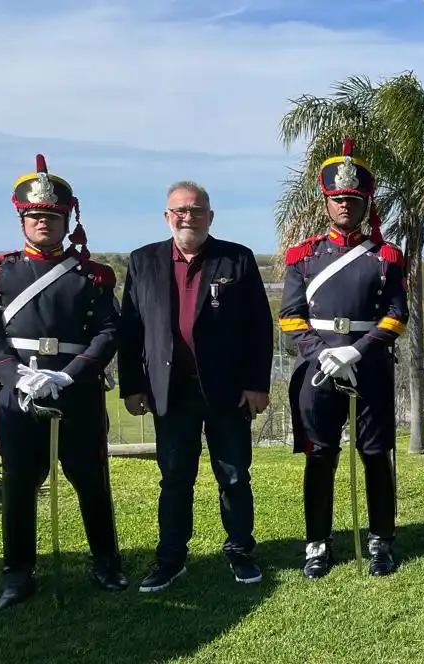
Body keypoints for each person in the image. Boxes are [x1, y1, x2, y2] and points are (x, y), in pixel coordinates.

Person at [0, 154, 125, 609]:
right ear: (22, 219)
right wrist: (17, 376)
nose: (44, 223)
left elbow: (109, 332)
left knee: (91, 479)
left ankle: (106, 562)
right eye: (36, 215)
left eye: (53, 216)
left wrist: (69, 375)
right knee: (19, 484)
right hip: (17, 394)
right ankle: (17, 573)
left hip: (77, 394)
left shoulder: (92, 276)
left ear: (67, 220)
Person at [118, 180, 273, 592]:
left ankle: (240, 551)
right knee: (174, 479)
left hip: (227, 389)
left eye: (197, 210)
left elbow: (259, 326)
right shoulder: (143, 261)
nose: (189, 217)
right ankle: (170, 559)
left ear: (210, 216)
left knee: (234, 476)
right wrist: (131, 385)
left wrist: (257, 384)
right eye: (181, 210)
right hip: (169, 390)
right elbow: (131, 329)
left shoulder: (237, 259)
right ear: (167, 216)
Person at [279, 138, 407, 578]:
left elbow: (396, 315)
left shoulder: (386, 257)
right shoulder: (303, 256)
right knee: (320, 455)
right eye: (338, 199)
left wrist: (357, 349)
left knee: (375, 453)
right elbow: (291, 316)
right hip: (318, 369)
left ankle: (381, 540)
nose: (345, 206)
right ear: (326, 203)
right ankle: (317, 542)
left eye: (352, 200)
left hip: (369, 367)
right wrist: (323, 354)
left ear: (365, 202)